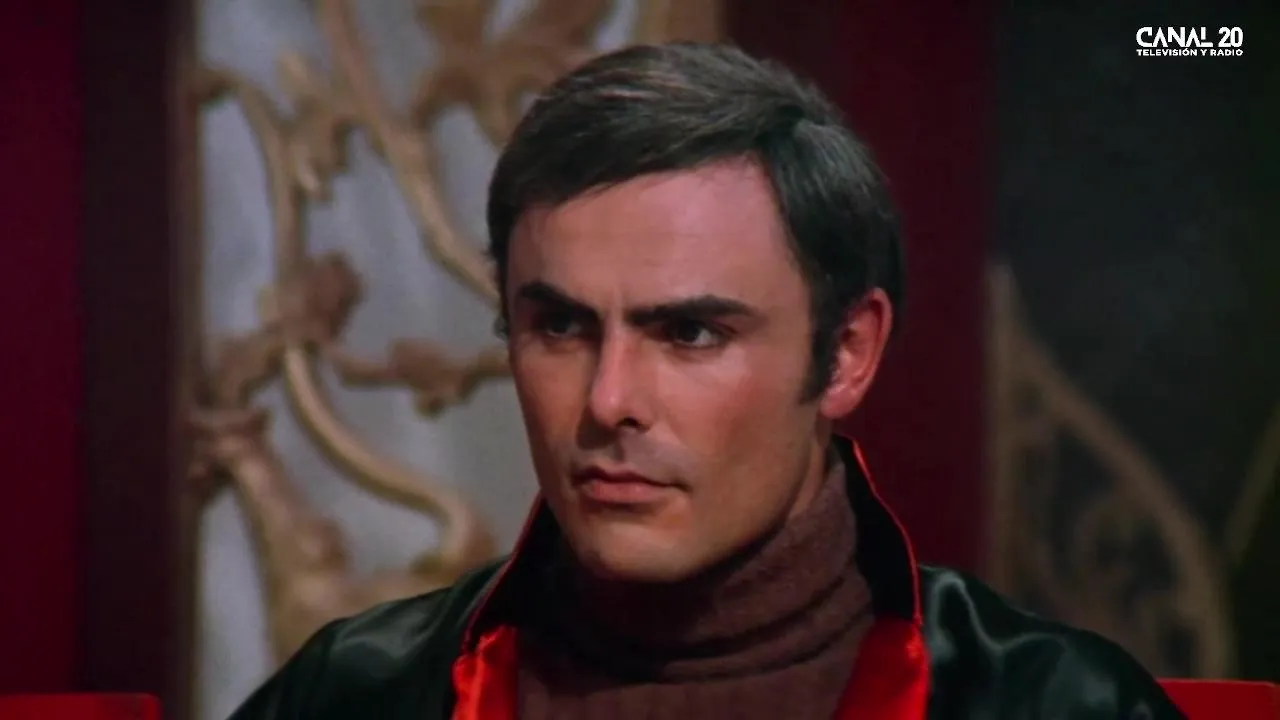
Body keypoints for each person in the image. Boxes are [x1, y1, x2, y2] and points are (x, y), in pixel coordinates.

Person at [227, 42, 1184, 719]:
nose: (608, 402)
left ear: (847, 353)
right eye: (559, 326)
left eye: (688, 332)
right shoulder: (360, 694)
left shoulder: (1050, 704)